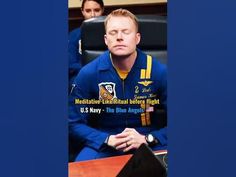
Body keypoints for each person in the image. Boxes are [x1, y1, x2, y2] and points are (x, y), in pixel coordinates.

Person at [69, 9, 167, 161]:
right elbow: (73, 122)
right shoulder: (88, 74)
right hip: (105, 141)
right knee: (80, 170)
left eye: (126, 32)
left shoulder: (159, 71)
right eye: (113, 33)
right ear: (106, 39)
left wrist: (149, 138)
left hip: (147, 139)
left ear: (137, 38)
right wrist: (106, 139)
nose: (119, 37)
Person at [68, 0, 104, 88]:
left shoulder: (112, 33)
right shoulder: (74, 35)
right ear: (82, 11)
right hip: (80, 75)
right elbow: (70, 64)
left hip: (106, 74)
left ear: (102, 10)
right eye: (88, 11)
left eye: (96, 10)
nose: (92, 15)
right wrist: (90, 71)